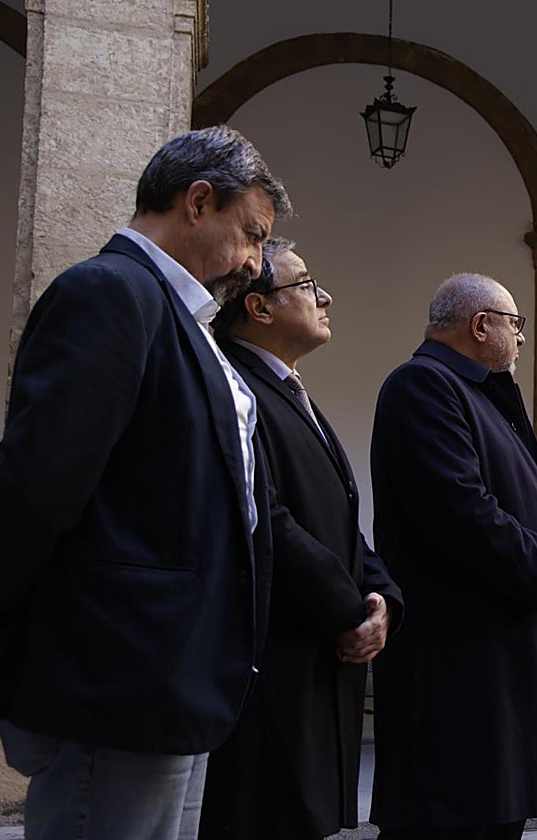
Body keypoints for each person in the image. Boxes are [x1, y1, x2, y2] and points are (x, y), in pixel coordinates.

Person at [0, 126, 291, 839]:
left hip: (173, 673)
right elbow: (38, 479)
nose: (257, 265)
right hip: (119, 673)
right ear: (197, 201)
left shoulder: (183, 318)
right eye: (252, 235)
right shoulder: (110, 293)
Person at [368, 273, 537, 840]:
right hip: (458, 670)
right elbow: (461, 510)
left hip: (496, 666)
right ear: (480, 325)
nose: (520, 339)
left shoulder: (477, 393)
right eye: (514, 326)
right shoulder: (423, 385)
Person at [199, 241, 404, 839]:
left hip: (319, 653)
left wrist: (381, 597)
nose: (325, 297)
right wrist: (350, 611)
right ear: (260, 308)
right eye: (308, 285)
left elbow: (339, 519)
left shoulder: (289, 389)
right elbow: (269, 519)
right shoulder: (238, 388)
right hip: (277, 662)